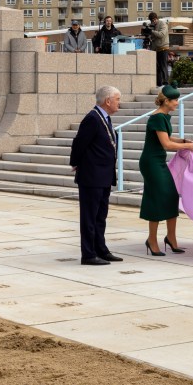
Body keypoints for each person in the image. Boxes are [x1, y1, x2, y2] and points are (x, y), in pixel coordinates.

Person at [139, 85, 193, 257]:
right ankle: (152, 240)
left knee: (171, 196)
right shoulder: (158, 117)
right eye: (175, 100)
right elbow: (166, 144)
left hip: (157, 161)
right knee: (157, 198)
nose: (177, 103)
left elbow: (166, 137)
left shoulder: (164, 117)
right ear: (166, 101)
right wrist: (188, 145)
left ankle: (171, 238)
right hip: (151, 163)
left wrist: (182, 139)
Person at [69, 86, 123, 265]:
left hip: (104, 175)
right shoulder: (92, 118)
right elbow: (79, 143)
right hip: (92, 176)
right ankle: (88, 254)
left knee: (100, 216)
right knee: (90, 218)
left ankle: (101, 249)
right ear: (108, 101)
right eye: (117, 100)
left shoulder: (104, 118)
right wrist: (76, 163)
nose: (119, 103)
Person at [147, 12, 170, 85]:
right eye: (151, 21)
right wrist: (148, 32)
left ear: (156, 18)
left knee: (163, 66)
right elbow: (153, 37)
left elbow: (161, 34)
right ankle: (159, 83)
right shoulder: (153, 26)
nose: (153, 22)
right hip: (156, 49)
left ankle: (166, 82)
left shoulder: (162, 24)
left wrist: (152, 31)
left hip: (163, 48)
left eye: (154, 20)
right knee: (157, 67)